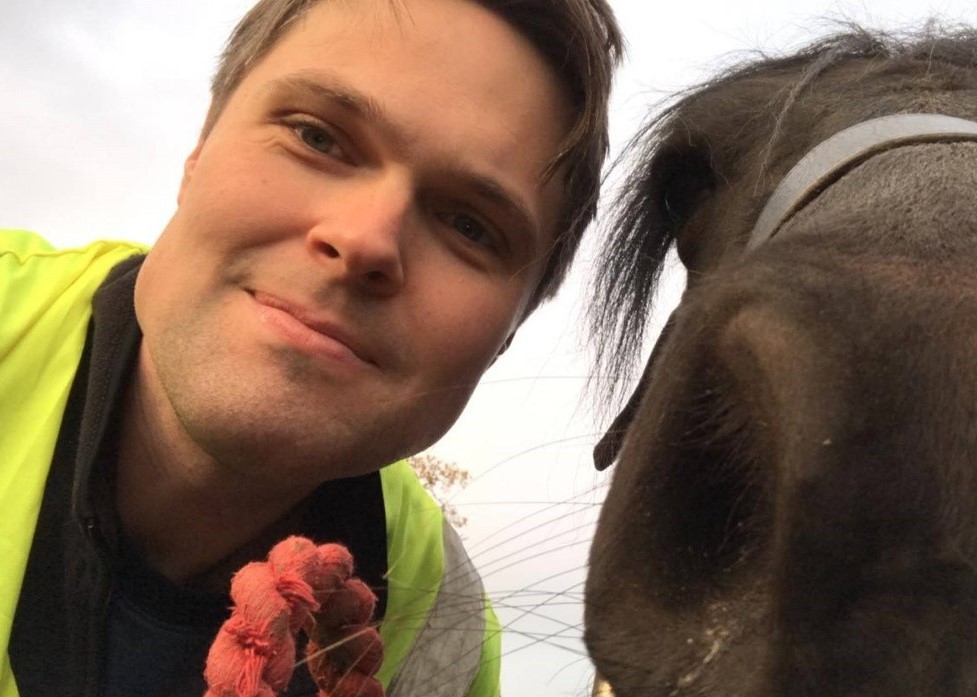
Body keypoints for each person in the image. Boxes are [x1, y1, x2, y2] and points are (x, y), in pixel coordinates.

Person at [0, 0, 622, 694]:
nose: (364, 240)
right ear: (198, 150)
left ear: (509, 333)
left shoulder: (444, 635)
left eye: (469, 226)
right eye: (317, 138)